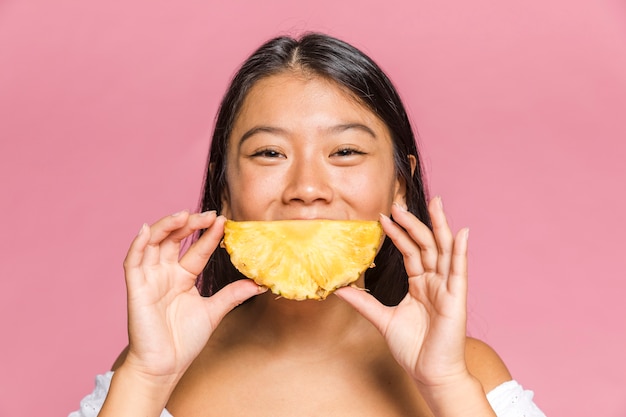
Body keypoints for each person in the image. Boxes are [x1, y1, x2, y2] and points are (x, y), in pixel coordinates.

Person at [70, 33, 546, 417]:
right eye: (269, 154)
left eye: (345, 152)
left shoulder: (466, 373)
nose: (307, 187)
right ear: (225, 192)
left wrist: (445, 386)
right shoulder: (152, 375)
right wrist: (147, 377)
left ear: (400, 184)